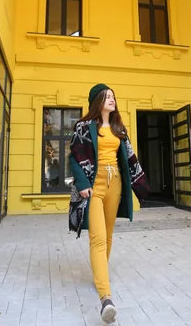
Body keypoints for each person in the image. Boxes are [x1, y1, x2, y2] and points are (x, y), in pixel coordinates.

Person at [69, 83, 149, 324]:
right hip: (93, 186)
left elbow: (130, 156)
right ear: (97, 101)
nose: (112, 100)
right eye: (108, 97)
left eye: (114, 97)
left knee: (110, 234)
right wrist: (82, 182)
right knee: (98, 237)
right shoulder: (83, 126)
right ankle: (105, 297)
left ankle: (98, 275)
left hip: (115, 184)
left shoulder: (118, 127)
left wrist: (139, 184)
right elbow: (74, 155)